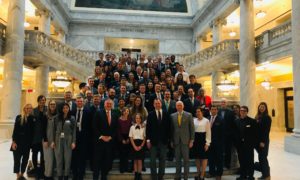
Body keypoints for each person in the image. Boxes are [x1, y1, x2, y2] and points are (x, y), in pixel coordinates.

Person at [92, 99, 118, 180]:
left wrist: (111, 137)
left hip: (109, 142)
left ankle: (104, 176)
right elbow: (94, 126)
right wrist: (101, 136)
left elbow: (116, 128)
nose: (109, 105)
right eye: (107, 104)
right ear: (104, 105)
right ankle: (95, 177)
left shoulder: (114, 114)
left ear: (112, 105)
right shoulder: (98, 112)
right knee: (97, 161)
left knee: (106, 161)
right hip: (100, 141)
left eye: (110, 104)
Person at [146, 99, 170, 180]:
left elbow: (169, 128)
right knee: (152, 161)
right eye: (156, 103)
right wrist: (148, 140)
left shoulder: (166, 114)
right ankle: (154, 177)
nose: (157, 104)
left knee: (162, 160)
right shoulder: (150, 114)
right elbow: (148, 128)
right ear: (153, 105)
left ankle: (160, 177)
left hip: (163, 141)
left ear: (161, 104)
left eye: (158, 103)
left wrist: (168, 139)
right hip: (153, 141)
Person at [170, 101, 195, 180]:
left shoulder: (189, 115)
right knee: (177, 160)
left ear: (183, 106)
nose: (179, 107)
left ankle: (185, 177)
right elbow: (171, 130)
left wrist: (191, 140)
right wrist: (171, 141)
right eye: (177, 105)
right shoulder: (172, 116)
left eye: (180, 105)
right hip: (176, 141)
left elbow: (192, 129)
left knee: (186, 160)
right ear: (176, 107)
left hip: (186, 141)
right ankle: (177, 176)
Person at [11, 104, 34, 180]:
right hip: (18, 142)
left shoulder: (32, 118)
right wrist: (13, 142)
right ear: (24, 109)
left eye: (30, 108)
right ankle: (18, 176)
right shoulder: (19, 117)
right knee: (17, 160)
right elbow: (15, 131)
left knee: (25, 160)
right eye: (27, 108)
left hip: (27, 143)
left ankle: (22, 174)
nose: (28, 109)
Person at [53, 103, 76, 180]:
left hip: (68, 140)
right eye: (64, 108)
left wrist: (73, 142)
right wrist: (53, 141)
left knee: (67, 158)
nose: (65, 109)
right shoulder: (56, 118)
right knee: (59, 158)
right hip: (58, 139)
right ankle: (59, 175)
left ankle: (66, 175)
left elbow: (74, 131)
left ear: (69, 109)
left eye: (67, 108)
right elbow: (54, 130)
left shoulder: (72, 118)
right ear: (61, 109)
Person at [234, 106, 258, 180]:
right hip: (240, 145)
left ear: (247, 112)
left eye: (244, 111)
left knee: (250, 161)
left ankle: (250, 176)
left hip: (249, 145)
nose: (242, 112)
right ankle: (243, 175)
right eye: (241, 111)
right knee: (241, 161)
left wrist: (253, 144)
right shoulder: (236, 121)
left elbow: (255, 134)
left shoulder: (252, 121)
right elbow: (235, 133)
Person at [72, 97, 91, 180]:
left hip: (84, 138)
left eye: (81, 101)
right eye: (78, 101)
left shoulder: (88, 112)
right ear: (76, 102)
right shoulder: (72, 112)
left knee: (82, 157)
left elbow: (90, 126)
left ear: (83, 102)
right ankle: (75, 174)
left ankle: (81, 175)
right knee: (74, 156)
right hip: (74, 137)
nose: (79, 102)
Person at [191, 107, 211, 180]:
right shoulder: (194, 120)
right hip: (196, 140)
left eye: (199, 111)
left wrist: (207, 143)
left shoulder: (206, 121)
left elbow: (208, 132)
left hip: (203, 140)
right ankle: (198, 173)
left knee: (204, 158)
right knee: (197, 158)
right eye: (196, 112)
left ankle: (202, 175)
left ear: (202, 112)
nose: (197, 113)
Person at [31, 95, 47, 178]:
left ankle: (42, 171)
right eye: (41, 100)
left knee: (43, 155)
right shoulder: (34, 111)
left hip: (44, 137)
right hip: (35, 137)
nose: (42, 101)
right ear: (38, 101)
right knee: (34, 154)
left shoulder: (47, 110)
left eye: (44, 100)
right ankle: (36, 172)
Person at [255, 102, 272, 180]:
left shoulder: (267, 117)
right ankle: (265, 174)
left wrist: (263, 142)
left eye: (263, 107)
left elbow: (266, 131)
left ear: (265, 108)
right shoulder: (258, 116)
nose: (261, 108)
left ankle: (266, 175)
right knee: (261, 157)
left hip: (263, 141)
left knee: (263, 158)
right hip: (258, 141)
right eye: (260, 107)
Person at [218, 98, 235, 169]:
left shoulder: (231, 112)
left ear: (226, 103)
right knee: (220, 150)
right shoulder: (217, 111)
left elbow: (233, 124)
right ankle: (220, 164)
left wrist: (231, 133)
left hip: (228, 135)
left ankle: (227, 164)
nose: (223, 104)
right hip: (219, 135)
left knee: (228, 150)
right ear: (220, 104)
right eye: (222, 102)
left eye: (224, 102)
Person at [208, 105, 224, 180]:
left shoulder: (221, 119)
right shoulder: (208, 119)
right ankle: (212, 172)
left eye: (215, 109)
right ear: (210, 110)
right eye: (212, 109)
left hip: (218, 143)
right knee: (211, 158)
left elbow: (223, 132)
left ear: (217, 111)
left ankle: (219, 174)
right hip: (209, 143)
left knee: (219, 159)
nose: (213, 110)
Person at [43, 100, 57, 180]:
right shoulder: (45, 115)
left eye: (54, 104)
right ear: (48, 105)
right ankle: (47, 176)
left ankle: (51, 175)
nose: (52, 105)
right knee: (48, 158)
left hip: (56, 139)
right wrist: (45, 140)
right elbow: (43, 129)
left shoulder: (58, 115)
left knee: (54, 158)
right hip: (47, 139)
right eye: (51, 104)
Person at [129, 113, 146, 180]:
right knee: (135, 160)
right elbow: (131, 137)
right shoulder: (132, 127)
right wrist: (134, 146)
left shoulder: (143, 127)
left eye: (139, 118)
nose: (138, 119)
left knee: (140, 160)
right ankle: (136, 175)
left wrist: (141, 146)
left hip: (141, 143)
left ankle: (139, 174)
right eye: (136, 118)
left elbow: (144, 137)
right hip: (134, 144)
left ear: (141, 119)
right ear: (135, 119)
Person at [117, 107, 132, 173]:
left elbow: (131, 129)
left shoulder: (130, 119)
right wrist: (122, 139)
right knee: (122, 154)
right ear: (122, 112)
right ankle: (122, 168)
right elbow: (118, 130)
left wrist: (129, 138)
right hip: (121, 137)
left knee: (127, 154)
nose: (126, 112)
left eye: (127, 111)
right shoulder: (119, 119)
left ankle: (126, 168)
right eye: (125, 111)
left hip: (128, 137)